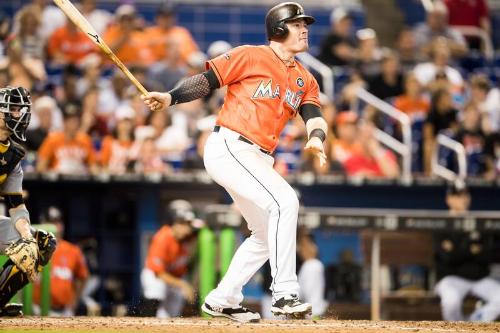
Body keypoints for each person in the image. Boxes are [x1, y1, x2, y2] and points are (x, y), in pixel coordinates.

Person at [142, 2, 328, 322]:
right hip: (230, 146)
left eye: (304, 24)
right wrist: (170, 97)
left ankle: (222, 298)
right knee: (286, 202)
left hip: (258, 158)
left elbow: (314, 115)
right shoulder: (250, 55)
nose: (304, 28)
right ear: (279, 28)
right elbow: (205, 81)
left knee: (266, 233)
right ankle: (284, 293)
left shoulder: (305, 78)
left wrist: (316, 138)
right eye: (297, 24)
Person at [0, 86, 57, 316]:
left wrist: (26, 239)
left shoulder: (14, 154)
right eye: (13, 109)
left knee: (43, 243)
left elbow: (16, 204)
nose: (19, 114)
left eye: (19, 109)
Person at [434, 182, 500, 322]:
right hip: (451, 278)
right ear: (449, 199)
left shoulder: (479, 222)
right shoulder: (441, 223)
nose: (462, 199)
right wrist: (472, 251)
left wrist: (458, 250)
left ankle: (473, 325)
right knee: (451, 302)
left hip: (479, 278)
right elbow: (447, 257)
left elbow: (490, 254)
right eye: (457, 196)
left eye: (464, 195)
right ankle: (456, 330)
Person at [140, 200, 198, 318]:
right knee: (157, 290)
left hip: (174, 278)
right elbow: (159, 273)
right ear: (172, 223)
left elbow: (202, 225)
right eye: (182, 223)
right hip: (156, 275)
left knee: (174, 308)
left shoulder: (188, 238)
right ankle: (145, 321)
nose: (186, 228)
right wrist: (183, 284)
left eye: (188, 224)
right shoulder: (163, 238)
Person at [34, 206, 89, 316]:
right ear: (42, 224)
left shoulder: (73, 250)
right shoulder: (33, 248)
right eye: (50, 222)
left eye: (57, 222)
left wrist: (74, 303)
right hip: (37, 310)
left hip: (64, 312)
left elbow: (82, 277)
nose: (55, 226)